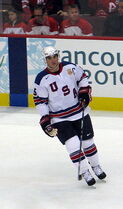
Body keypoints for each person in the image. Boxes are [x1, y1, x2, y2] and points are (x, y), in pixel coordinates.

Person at [33, 46, 106, 186]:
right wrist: (45, 121)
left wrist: (84, 93)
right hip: (59, 118)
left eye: (54, 56)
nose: (53, 60)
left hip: (79, 112)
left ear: (58, 56)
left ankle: (96, 166)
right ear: (45, 60)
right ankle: (84, 171)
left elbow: (83, 78)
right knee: (73, 145)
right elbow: (40, 102)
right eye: (49, 58)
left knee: (87, 142)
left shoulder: (70, 67)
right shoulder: (41, 79)